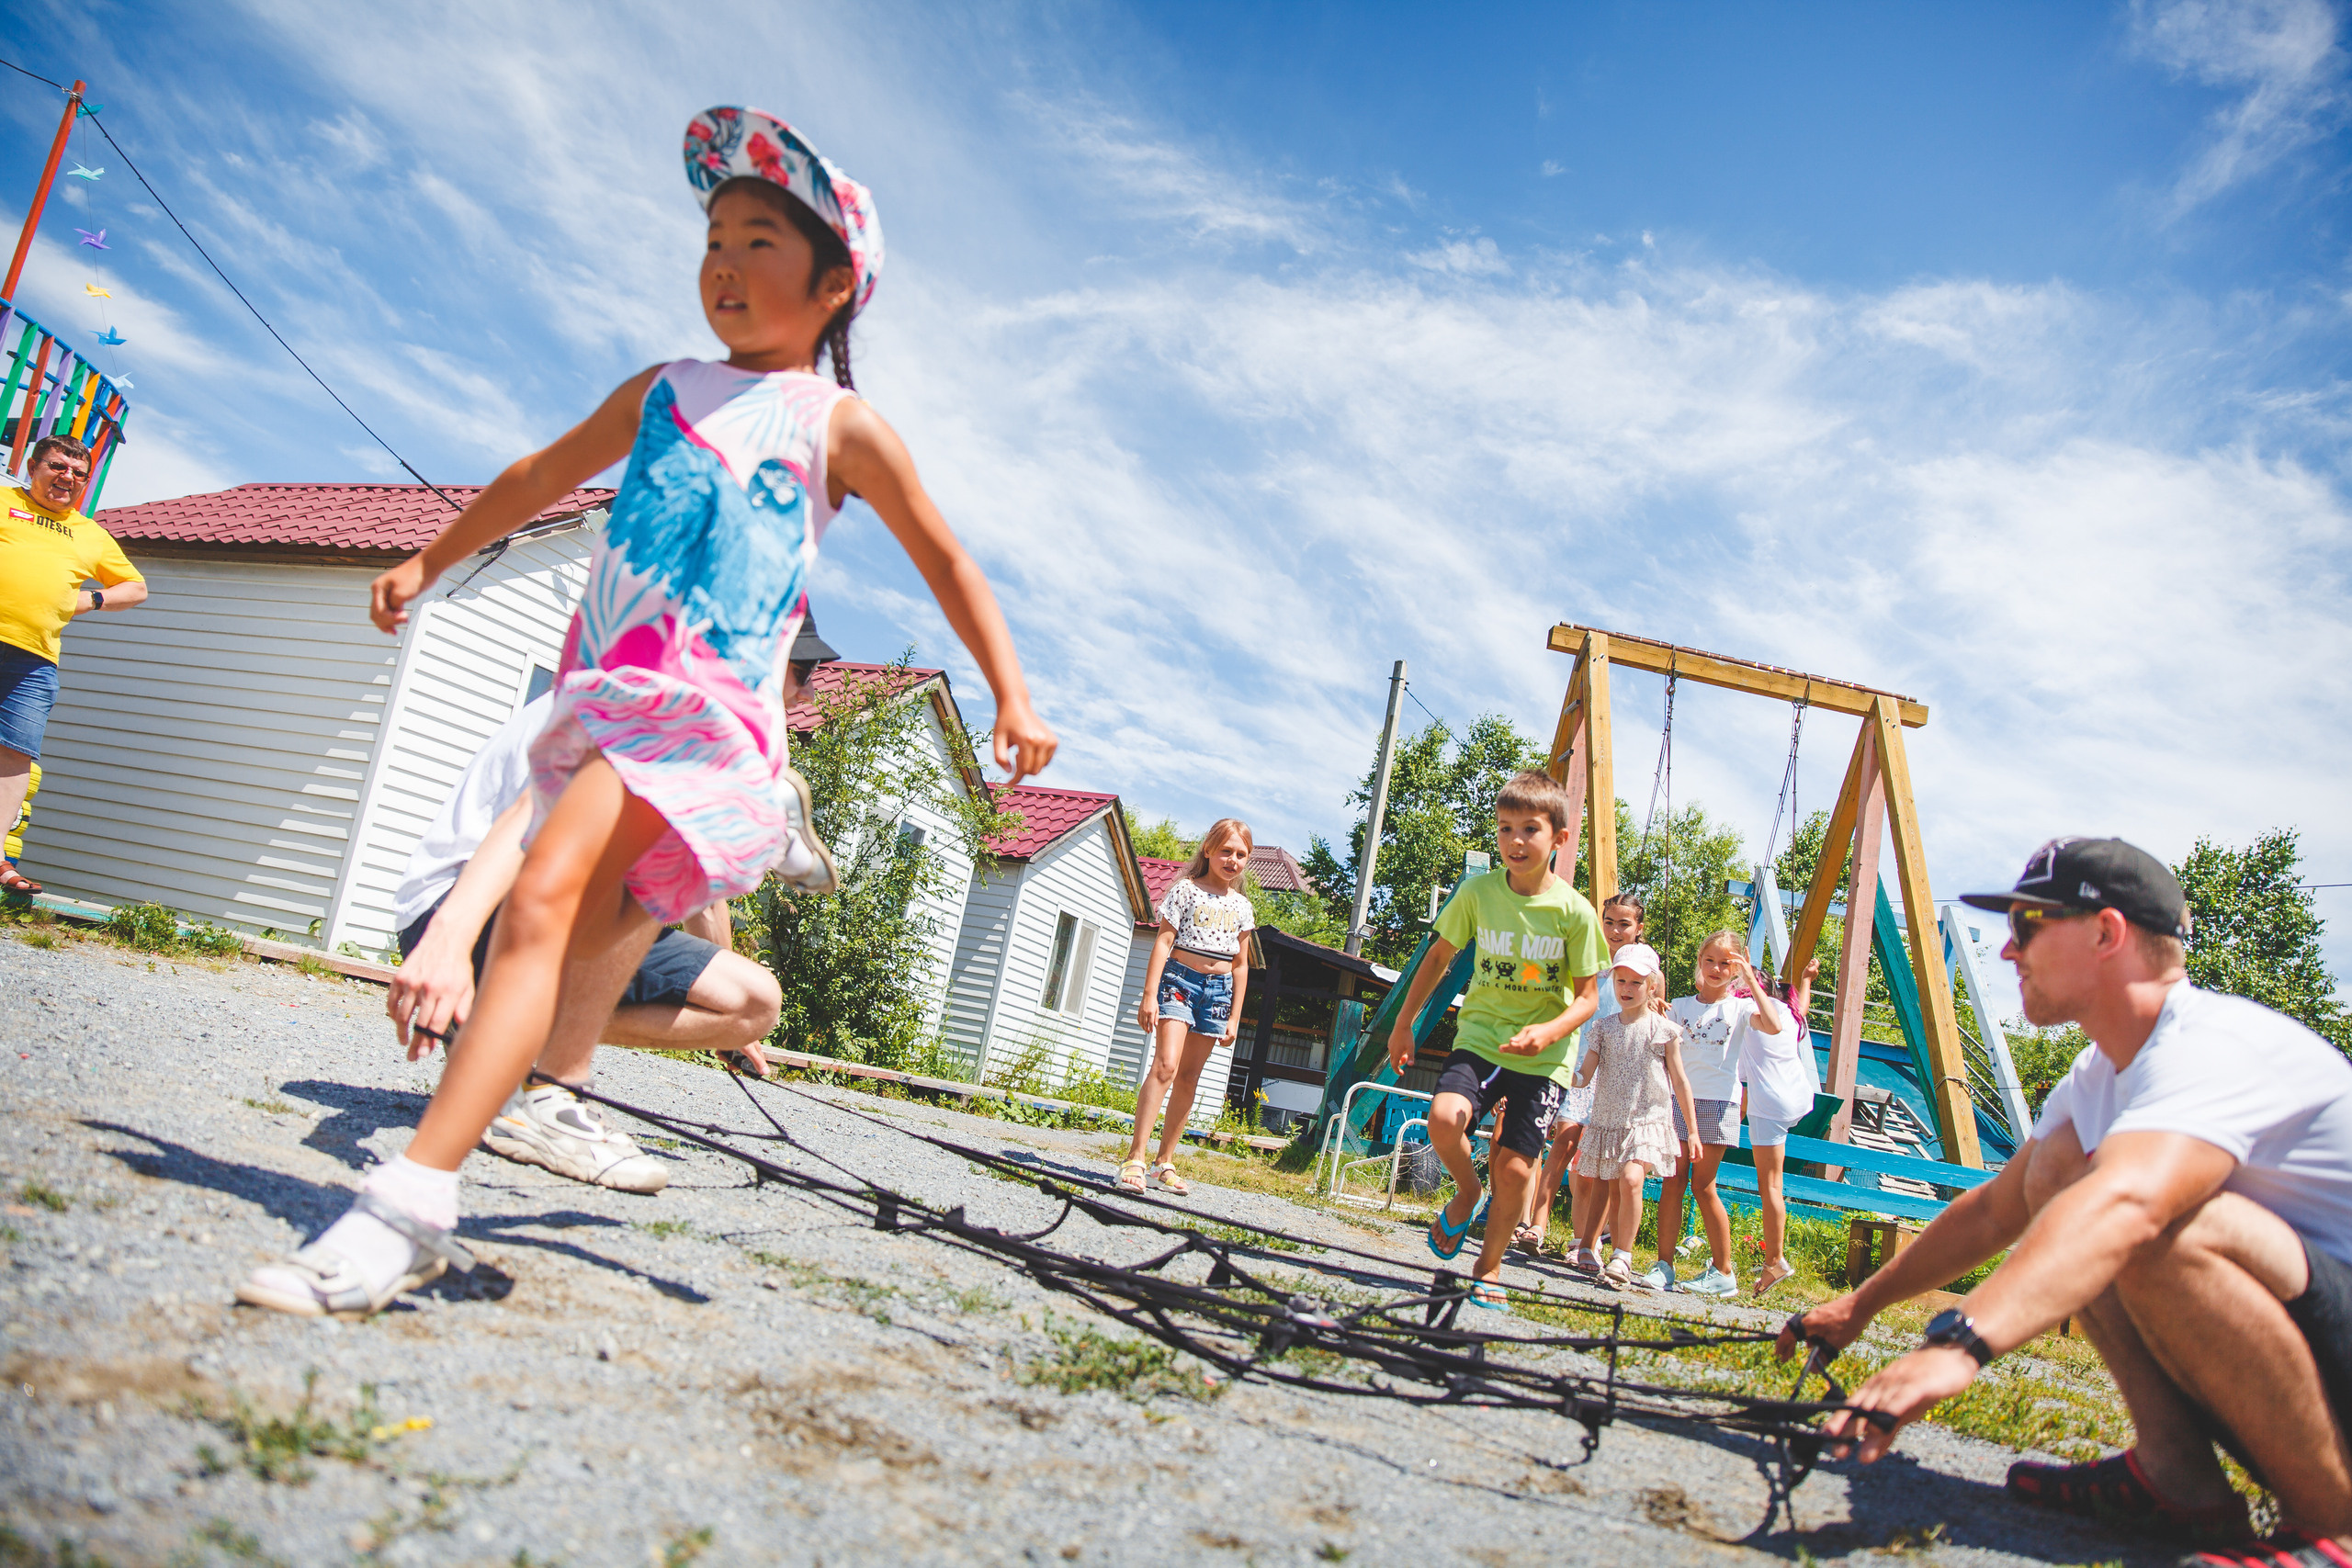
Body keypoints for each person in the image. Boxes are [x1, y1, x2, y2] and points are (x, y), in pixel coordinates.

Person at [237, 106, 1056, 1321]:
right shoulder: (666, 388)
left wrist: (1011, 692)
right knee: (555, 931)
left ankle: (409, 1204)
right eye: (714, 238)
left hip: (703, 713)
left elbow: (945, 557)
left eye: (760, 241)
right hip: (606, 703)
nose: (724, 261)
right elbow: (538, 474)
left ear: (835, 286)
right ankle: (483, 1146)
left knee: (545, 905)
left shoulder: (836, 424)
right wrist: (428, 559)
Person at [1777, 838, 2352, 1565]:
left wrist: (1959, 1345)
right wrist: (1859, 1306)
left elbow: (2130, 1203)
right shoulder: (2101, 1070)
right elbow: (1999, 1208)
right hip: (2310, 1356)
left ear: (2107, 932)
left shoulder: (2214, 1045)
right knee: (2060, 1181)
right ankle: (2178, 1482)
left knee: (2149, 1218)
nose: (2008, 950)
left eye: (2027, 925)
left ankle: (2332, 1529)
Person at [384, 621, 825, 1190]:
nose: (809, 690)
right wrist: (447, 941)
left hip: (544, 907)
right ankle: (545, 1088)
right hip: (470, 905)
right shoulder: (640, 707)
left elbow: (697, 900)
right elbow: (526, 827)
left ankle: (505, 1048)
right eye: (803, 670)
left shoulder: (670, 709)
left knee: (752, 1002)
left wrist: (729, 1029)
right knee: (645, 853)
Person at [1385, 770, 1606, 1312]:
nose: (1515, 841)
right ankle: (1468, 1191)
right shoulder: (1478, 893)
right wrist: (1404, 1021)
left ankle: (1488, 1268)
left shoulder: (1575, 912)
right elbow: (1439, 956)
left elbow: (1588, 999)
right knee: (1443, 1119)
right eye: (1506, 828)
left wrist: (1548, 1031)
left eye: (1530, 829)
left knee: (1514, 1167)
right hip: (1481, 1039)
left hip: (1545, 1057)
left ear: (1559, 838)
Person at [0, 434, 149, 895]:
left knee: (15, 753)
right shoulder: (4, 501)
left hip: (34, 658)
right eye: (57, 466)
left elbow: (136, 588)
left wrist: (91, 599)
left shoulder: (90, 533)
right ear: (32, 466)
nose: (68, 477)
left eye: (78, 473)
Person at [1120, 818, 1255, 1195]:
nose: (1232, 860)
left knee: (1189, 1076)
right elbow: (1163, 942)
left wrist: (1235, 1017)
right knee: (1166, 1065)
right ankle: (1135, 1158)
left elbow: (1241, 965)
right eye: (1225, 851)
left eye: (1240, 854)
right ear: (1208, 850)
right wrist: (1149, 995)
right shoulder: (1185, 891)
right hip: (1179, 982)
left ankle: (1164, 1162)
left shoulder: (1243, 907)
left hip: (1218, 992)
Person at [1521, 889, 1655, 1264]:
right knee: (1563, 1144)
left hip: (1615, 1080)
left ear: (1638, 928)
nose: (1614, 930)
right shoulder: (1586, 961)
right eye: (1608, 921)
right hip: (1578, 1069)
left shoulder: (1643, 972)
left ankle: (1588, 1242)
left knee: (1601, 1166)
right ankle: (1538, 1224)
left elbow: (1652, 1018)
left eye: (1624, 924)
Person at [1652, 930, 1787, 1296]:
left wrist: (1750, 979)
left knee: (1703, 1184)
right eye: (1709, 960)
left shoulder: (1741, 1009)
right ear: (1699, 961)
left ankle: (1724, 1271)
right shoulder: (1679, 1005)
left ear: (1737, 968)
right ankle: (1663, 1265)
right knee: (1672, 1181)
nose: (1715, 969)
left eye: (1725, 963)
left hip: (1718, 1104)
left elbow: (1774, 1025)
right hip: (1676, 1100)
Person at [1570, 942, 1701, 1290]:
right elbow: (1585, 1075)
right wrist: (1564, 1075)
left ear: (1652, 986)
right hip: (1609, 1118)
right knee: (1607, 1186)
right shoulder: (1603, 1028)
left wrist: (1692, 1131)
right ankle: (1594, 1248)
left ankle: (1623, 1256)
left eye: (1636, 982)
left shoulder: (1663, 1030)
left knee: (1630, 1179)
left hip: (1647, 1120)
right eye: (1621, 981)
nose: (1626, 989)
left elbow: (1680, 1081)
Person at [1736, 953, 1816, 1297]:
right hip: (1798, 1097)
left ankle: (1775, 1260)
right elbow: (1803, 1007)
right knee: (1774, 1183)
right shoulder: (1787, 1011)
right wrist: (1806, 979)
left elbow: (1741, 1084)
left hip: (1769, 1103)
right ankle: (1774, 1259)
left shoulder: (1748, 1017)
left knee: (1770, 1186)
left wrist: (1734, 1119)